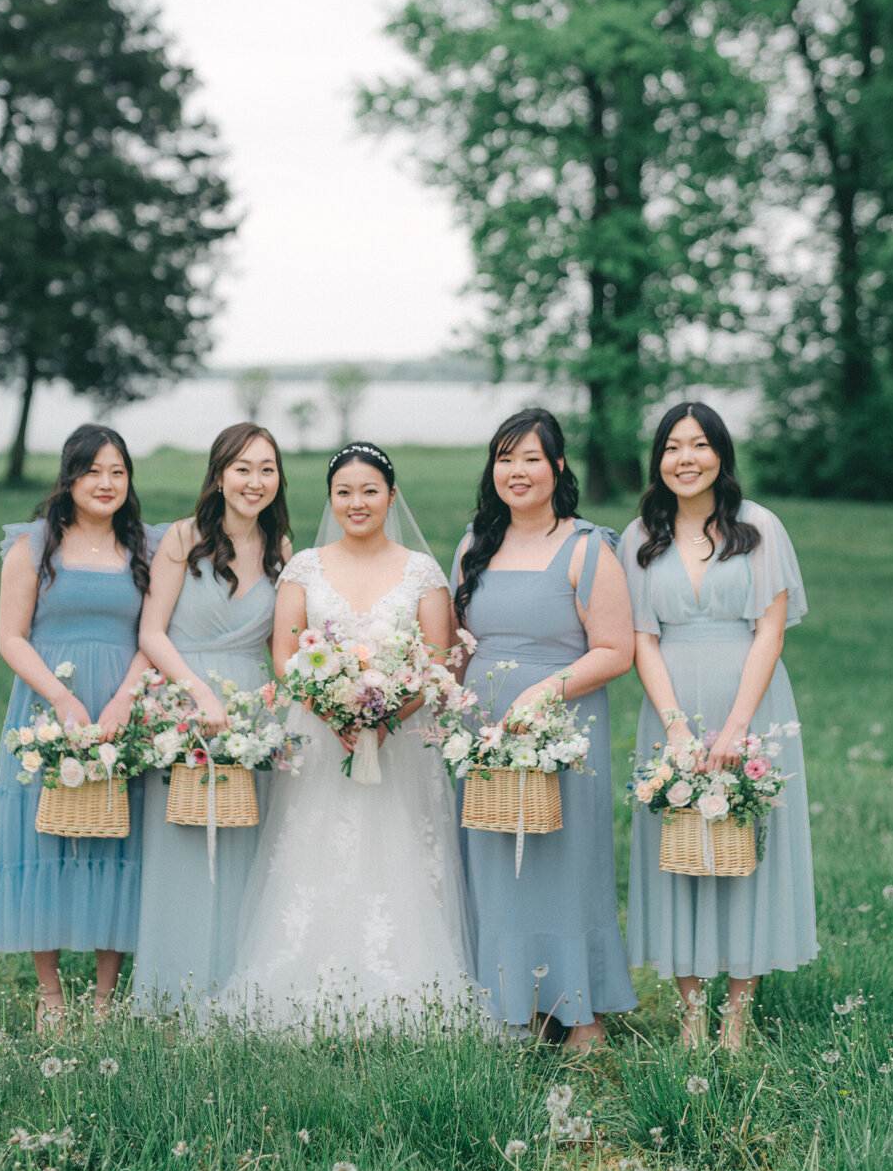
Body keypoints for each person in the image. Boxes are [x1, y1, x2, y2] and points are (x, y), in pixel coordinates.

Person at [225, 441, 473, 1026]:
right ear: (330, 499)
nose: (356, 502)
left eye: (369, 490)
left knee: (399, 850)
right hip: (318, 735)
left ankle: (408, 989)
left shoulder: (421, 571)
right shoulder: (305, 567)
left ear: (391, 494)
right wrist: (332, 708)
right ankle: (305, 980)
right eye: (344, 492)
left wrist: (386, 715)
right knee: (314, 853)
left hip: (403, 739)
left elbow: (439, 660)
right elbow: (285, 654)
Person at [622, 401, 817, 1049]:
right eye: (673, 447)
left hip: (751, 703)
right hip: (671, 703)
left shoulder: (760, 529)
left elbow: (769, 632)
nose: (686, 458)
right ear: (659, 460)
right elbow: (642, 639)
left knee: (746, 852)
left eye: (699, 445)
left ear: (721, 455)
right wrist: (676, 727)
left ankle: (735, 1019)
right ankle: (690, 1015)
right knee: (678, 852)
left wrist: (736, 727)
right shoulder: (639, 537)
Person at [0, 424, 167, 1030]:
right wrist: (59, 699)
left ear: (128, 480)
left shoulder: (149, 548)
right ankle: (50, 993)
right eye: (92, 472)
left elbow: (155, 635)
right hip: (48, 705)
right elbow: (10, 636)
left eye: (117, 472)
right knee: (43, 834)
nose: (105, 484)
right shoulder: (32, 546)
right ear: (70, 477)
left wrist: (125, 701)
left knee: (119, 835)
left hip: (122, 709)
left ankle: (106, 995)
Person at [452, 408, 638, 1049]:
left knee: (563, 866)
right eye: (505, 459)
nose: (517, 471)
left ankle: (580, 1015)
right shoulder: (475, 542)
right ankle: (517, 1008)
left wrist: (542, 692)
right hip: (483, 733)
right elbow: (460, 643)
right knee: (496, 865)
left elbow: (615, 650)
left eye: (531, 457)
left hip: (562, 730)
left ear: (558, 466)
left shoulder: (588, 548)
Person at [131, 423, 292, 1014]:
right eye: (243, 468)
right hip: (186, 704)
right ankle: (173, 993)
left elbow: (284, 646)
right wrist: (199, 693)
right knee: (182, 846)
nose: (255, 481)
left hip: (251, 712)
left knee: (247, 847)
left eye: (267, 469)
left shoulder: (282, 552)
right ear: (219, 475)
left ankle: (238, 991)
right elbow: (151, 631)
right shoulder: (181, 538)